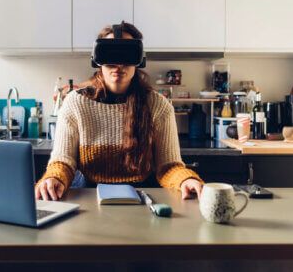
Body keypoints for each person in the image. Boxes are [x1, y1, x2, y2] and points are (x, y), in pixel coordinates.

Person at [35, 22, 204, 201]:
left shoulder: (158, 106)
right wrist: (54, 177)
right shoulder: (76, 103)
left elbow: (168, 166)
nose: (119, 64)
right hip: (89, 196)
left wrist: (185, 179)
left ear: (139, 59)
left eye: (126, 54)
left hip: (144, 198)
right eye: (110, 54)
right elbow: (63, 161)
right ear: (97, 59)